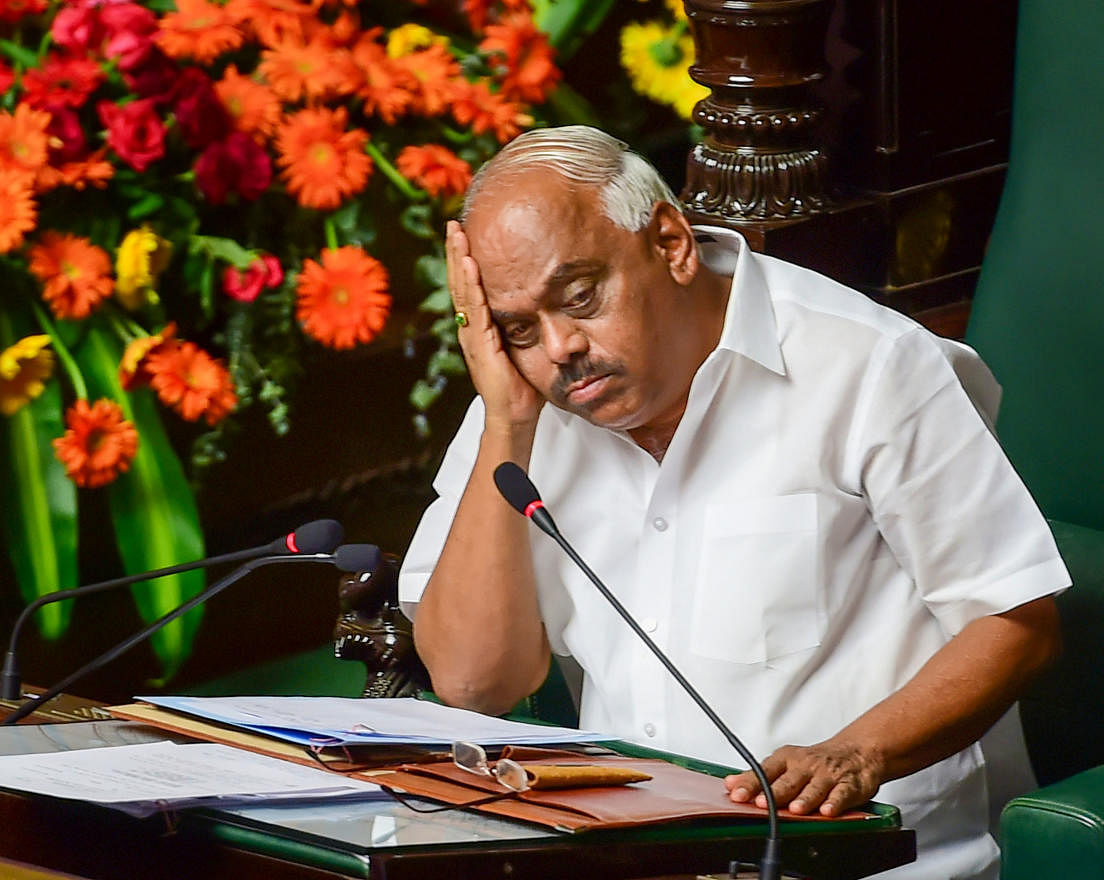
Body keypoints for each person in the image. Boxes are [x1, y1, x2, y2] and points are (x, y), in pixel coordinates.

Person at [398, 125, 1069, 879]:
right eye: (518, 328)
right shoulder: (521, 411)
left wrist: (861, 750)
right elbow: (474, 684)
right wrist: (507, 423)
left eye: (580, 297)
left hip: (868, 860)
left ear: (670, 242)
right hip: (635, 861)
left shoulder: (868, 365)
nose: (558, 347)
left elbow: (1016, 622)